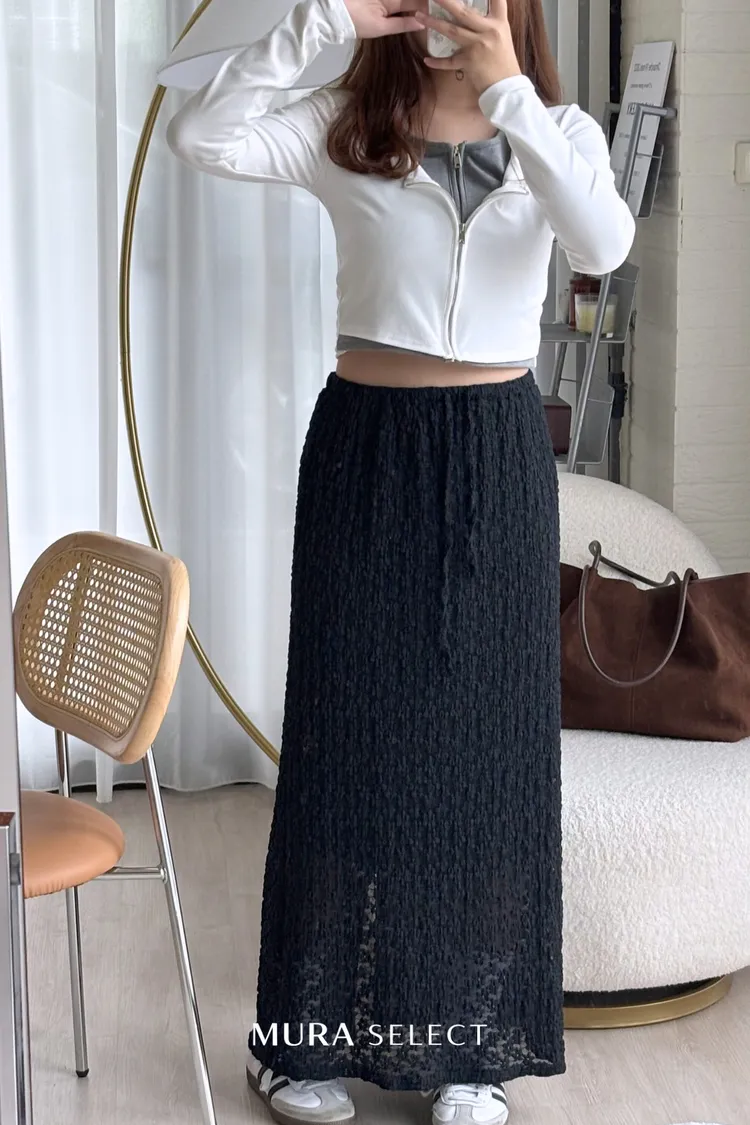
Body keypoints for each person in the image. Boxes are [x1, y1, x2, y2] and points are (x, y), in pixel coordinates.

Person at [165, 0, 635, 1121]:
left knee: (488, 749)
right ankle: (302, 1042)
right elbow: (201, 135)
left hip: (498, 455)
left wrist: (512, 91)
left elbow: (603, 245)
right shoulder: (345, 123)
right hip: (367, 448)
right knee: (349, 735)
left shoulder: (558, 132)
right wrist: (321, 22)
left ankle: (470, 1047)